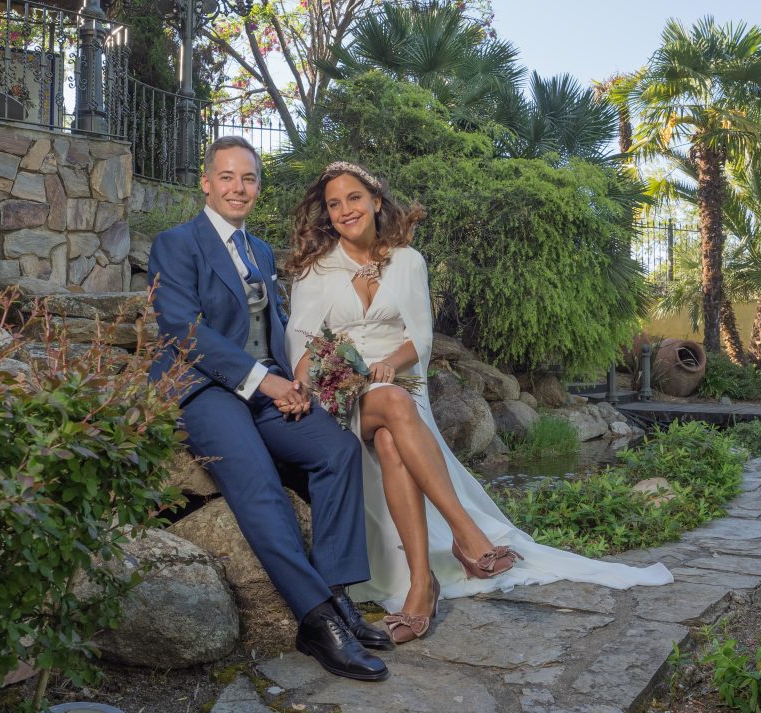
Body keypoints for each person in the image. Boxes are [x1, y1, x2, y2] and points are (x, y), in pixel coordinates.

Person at [284, 162, 673, 645]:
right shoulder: (319, 268)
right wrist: (312, 383)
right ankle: (467, 535)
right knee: (391, 412)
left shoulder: (407, 261)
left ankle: (421, 584)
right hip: (339, 392)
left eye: (354, 198)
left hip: (398, 385)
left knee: (390, 438)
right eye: (335, 204)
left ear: (376, 201)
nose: (345, 210)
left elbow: (419, 339)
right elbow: (300, 345)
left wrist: (387, 363)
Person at [148, 138, 393, 682]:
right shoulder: (175, 243)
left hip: (267, 387)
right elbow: (184, 330)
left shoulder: (258, 251)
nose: (239, 188)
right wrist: (266, 382)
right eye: (228, 177)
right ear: (206, 183)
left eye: (250, 179)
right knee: (257, 479)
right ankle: (314, 620)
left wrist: (297, 380)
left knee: (337, 450)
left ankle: (336, 592)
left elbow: (274, 326)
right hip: (204, 389)